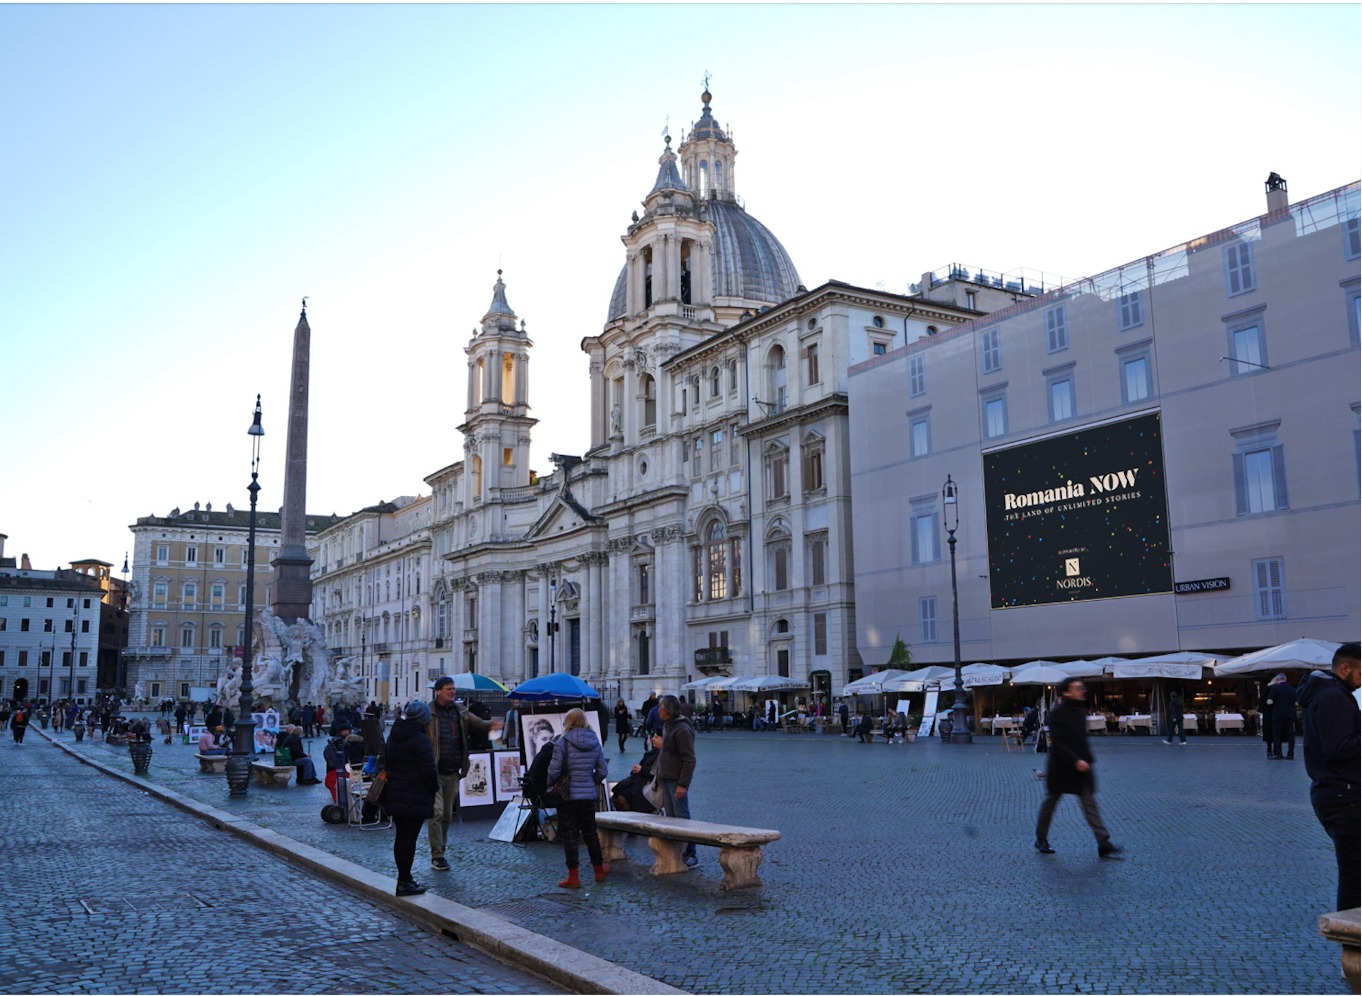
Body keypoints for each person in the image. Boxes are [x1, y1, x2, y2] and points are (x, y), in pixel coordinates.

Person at [1298, 642, 1360, 912]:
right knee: (1354, 876)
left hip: (1336, 794)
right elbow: (1338, 748)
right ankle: (1353, 943)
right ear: (1345, 668)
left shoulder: (1328, 694)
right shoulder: (1334, 697)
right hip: (1343, 796)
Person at [1035, 677, 1122, 858]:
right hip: (1061, 767)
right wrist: (1076, 760)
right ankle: (1041, 839)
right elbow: (1057, 743)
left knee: (1090, 804)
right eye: (1077, 688)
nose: (1082, 690)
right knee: (1050, 804)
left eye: (1082, 687)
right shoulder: (1057, 713)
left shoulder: (1080, 712)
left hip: (1080, 767)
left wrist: (1087, 761)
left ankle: (1103, 842)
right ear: (1066, 692)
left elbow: (1081, 740)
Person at [425, 675, 498, 873]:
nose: (453, 692)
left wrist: (491, 724)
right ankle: (437, 855)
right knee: (437, 812)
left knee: (447, 815)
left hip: (454, 771)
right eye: (449, 689)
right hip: (434, 771)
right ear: (438, 691)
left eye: (453, 689)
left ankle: (442, 850)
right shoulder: (428, 712)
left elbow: (477, 724)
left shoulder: (461, 711)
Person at [547, 707, 609, 888]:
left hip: (567, 795)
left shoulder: (562, 743)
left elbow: (553, 771)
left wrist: (552, 782)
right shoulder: (595, 741)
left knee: (570, 835)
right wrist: (591, 781)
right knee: (591, 833)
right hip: (588, 795)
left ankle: (573, 876)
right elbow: (603, 771)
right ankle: (598, 870)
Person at [385, 700, 438, 897]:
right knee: (409, 840)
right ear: (424, 720)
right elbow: (428, 772)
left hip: (396, 793)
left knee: (401, 838)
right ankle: (404, 882)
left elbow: (388, 763)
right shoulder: (420, 740)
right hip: (414, 796)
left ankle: (404, 878)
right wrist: (434, 788)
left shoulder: (394, 736)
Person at [655, 694, 698, 868]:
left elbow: (689, 759)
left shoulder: (681, 729)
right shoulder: (668, 726)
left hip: (676, 781)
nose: (658, 710)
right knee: (671, 818)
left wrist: (683, 784)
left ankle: (691, 853)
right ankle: (675, 852)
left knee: (682, 817)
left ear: (668, 711)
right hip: (665, 777)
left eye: (661, 707)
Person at [611, 732, 663, 812]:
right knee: (617, 794)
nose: (653, 739)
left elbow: (657, 771)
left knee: (622, 797)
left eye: (656, 737)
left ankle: (630, 818)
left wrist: (641, 769)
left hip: (647, 783)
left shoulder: (662, 754)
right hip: (639, 780)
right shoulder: (652, 753)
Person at [1265, 673, 1298, 760]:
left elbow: (1269, 701)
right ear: (1285, 679)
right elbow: (1296, 702)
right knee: (1291, 734)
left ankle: (1277, 753)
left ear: (1277, 679)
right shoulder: (1292, 689)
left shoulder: (1275, 688)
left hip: (1278, 714)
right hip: (1290, 714)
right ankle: (1291, 753)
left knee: (1277, 734)